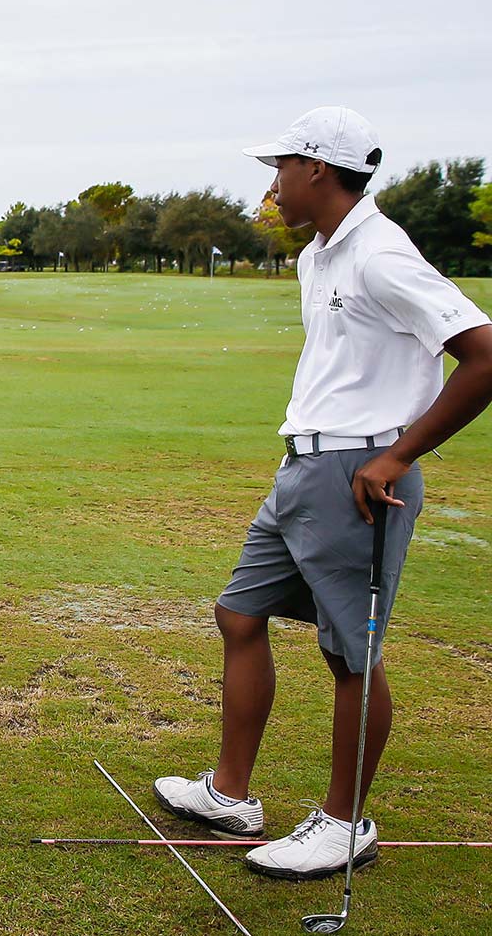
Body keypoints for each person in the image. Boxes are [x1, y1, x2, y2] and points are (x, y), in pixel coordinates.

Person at [154, 107, 492, 880]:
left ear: (316, 169)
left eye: (280, 167)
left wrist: (398, 455)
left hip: (364, 475)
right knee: (239, 612)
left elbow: (483, 354)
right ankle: (230, 794)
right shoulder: (320, 255)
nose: (272, 183)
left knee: (350, 654)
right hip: (305, 465)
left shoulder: (380, 254)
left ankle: (344, 822)